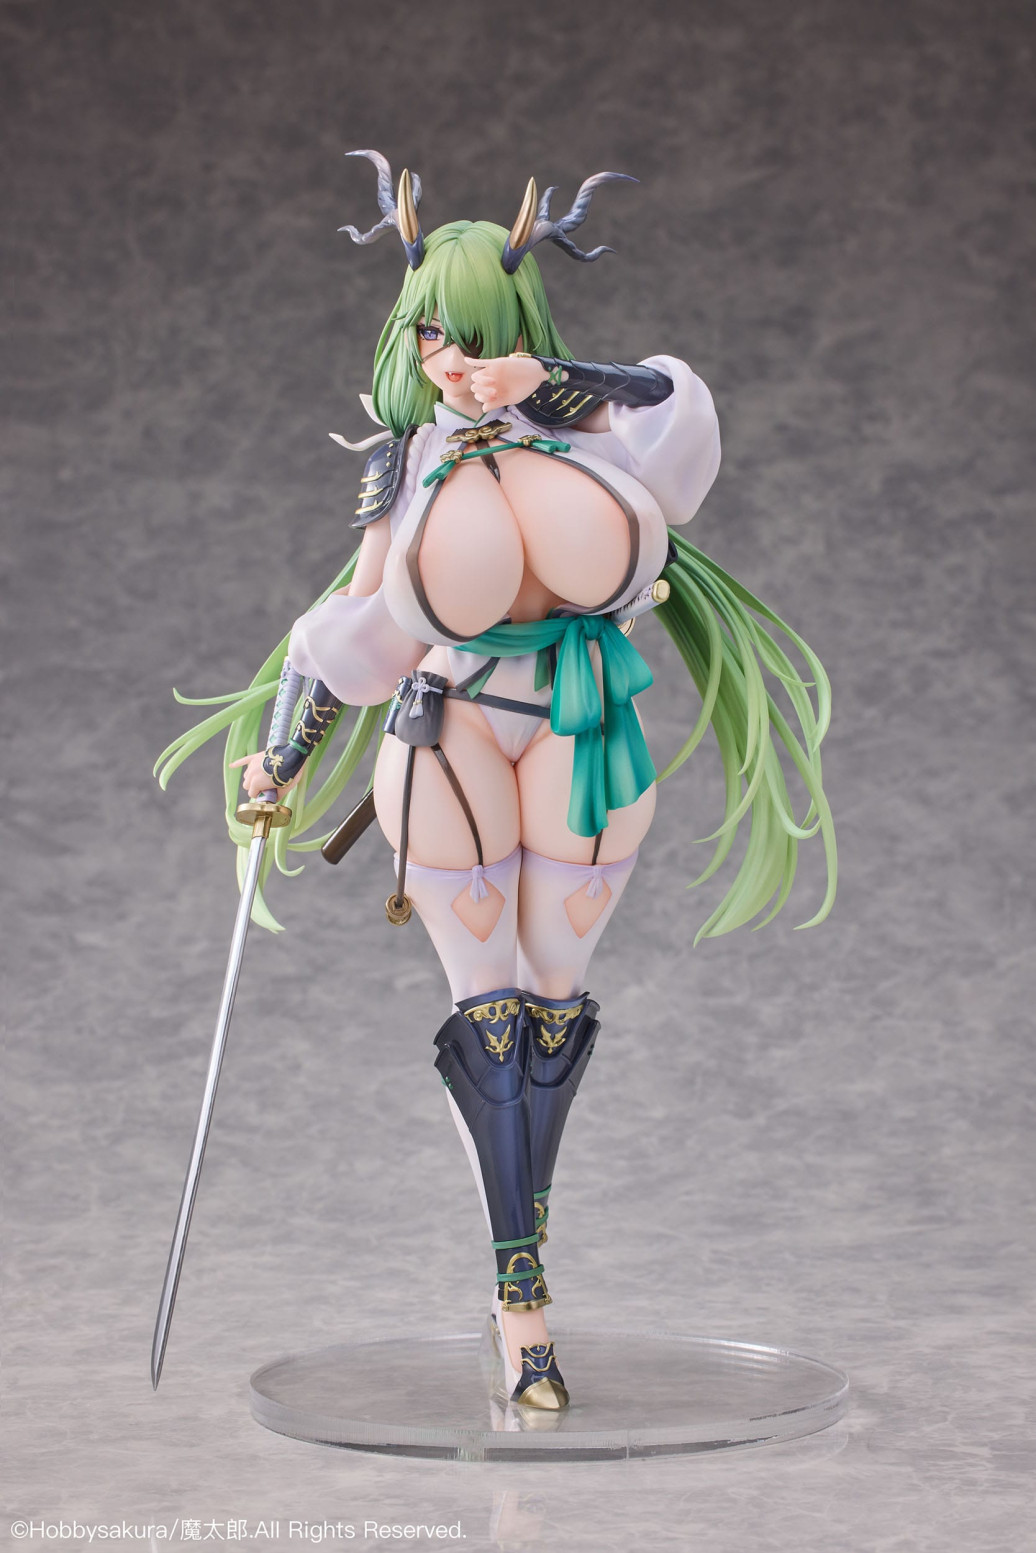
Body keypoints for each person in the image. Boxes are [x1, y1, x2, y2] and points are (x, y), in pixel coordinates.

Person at [158, 151, 836, 1414]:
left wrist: (544, 380)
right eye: (433, 335)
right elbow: (350, 621)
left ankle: (521, 1271)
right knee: (490, 1019)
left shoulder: (590, 422)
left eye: (474, 335)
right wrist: (282, 755)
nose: (453, 360)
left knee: (554, 1013)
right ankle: (521, 1299)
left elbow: (674, 400)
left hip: (585, 726)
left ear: (519, 325)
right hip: (451, 726)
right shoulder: (404, 460)